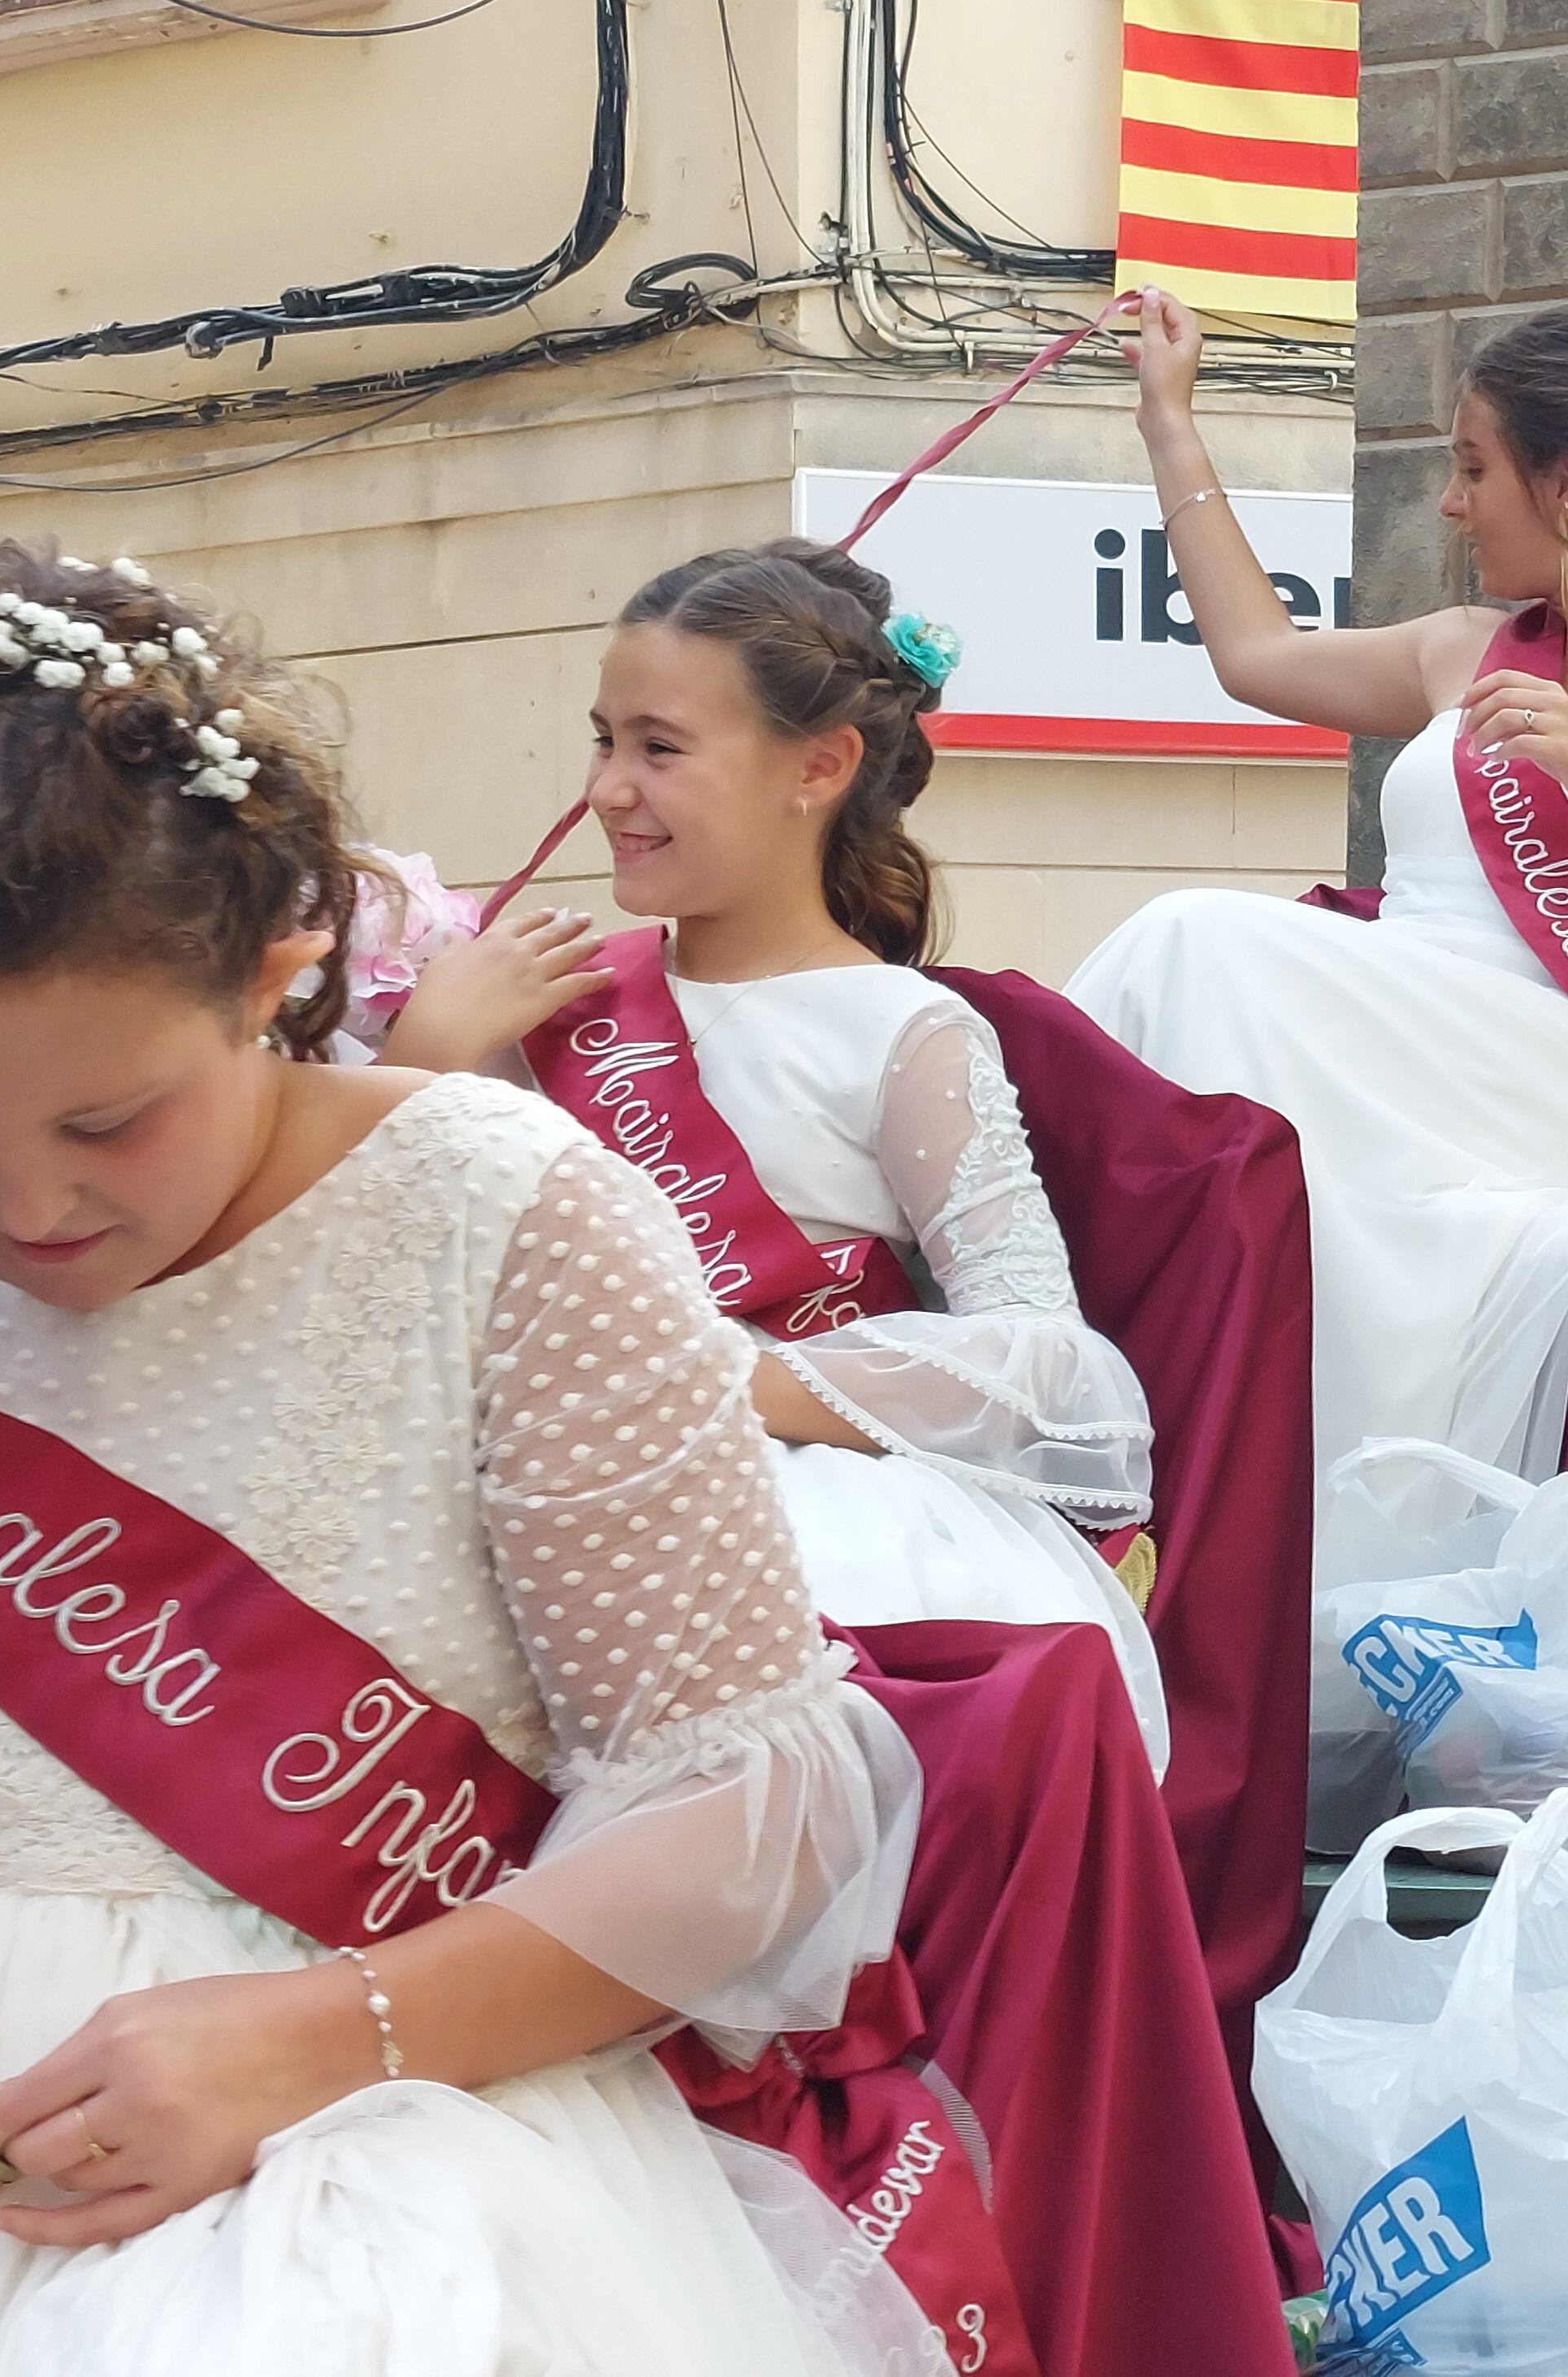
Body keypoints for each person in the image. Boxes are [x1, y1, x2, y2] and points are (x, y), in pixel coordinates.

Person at [0, 542, 934, 2373]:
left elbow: (745, 1812)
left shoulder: (502, 1219)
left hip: (380, 2112)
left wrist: (319, 2037)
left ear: (282, 960)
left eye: (109, 1118)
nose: (23, 1203)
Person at [379, 543, 1169, 1741]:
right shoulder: (539, 997)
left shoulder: (903, 1030)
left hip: (797, 1514)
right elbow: (389, 1283)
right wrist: (418, 1067)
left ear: (820, 765)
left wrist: (710, 1377)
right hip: (518, 1484)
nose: (607, 790)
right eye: (605, 740)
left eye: (661, 748)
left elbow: (1046, 1373)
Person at [1066, 289, 1568, 1493]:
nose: (1451, 503)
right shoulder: (1461, 647)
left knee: (1191, 939)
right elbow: (1253, 658)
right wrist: (1171, 420)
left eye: (1475, 468)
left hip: (1556, 1066)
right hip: (1396, 1025)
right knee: (1191, 966)